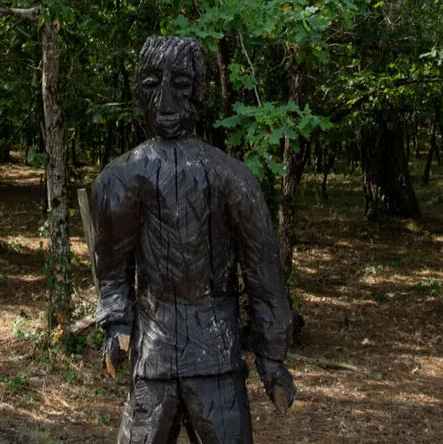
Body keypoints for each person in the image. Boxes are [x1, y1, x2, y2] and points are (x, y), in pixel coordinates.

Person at [92, 35, 295, 444]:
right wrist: (116, 322)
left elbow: (264, 275)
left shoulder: (232, 180)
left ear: (199, 92)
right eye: (152, 84)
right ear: (138, 92)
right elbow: (112, 269)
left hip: (217, 361)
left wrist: (271, 355)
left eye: (181, 84)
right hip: (152, 359)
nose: (166, 100)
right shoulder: (119, 180)